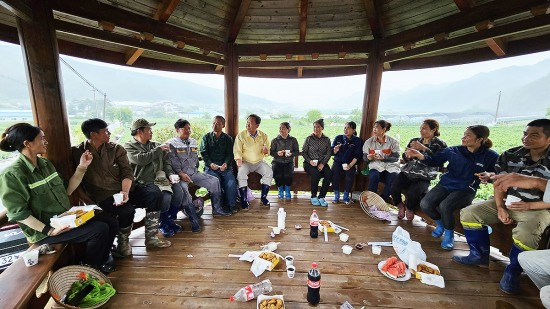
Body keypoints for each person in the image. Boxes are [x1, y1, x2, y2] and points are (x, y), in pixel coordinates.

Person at [0, 123, 117, 273]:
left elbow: (67, 189)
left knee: (111, 221)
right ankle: (89, 266)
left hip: (63, 219)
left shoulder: (45, 163)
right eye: (42, 139)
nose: (45, 142)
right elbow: (19, 214)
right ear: (27, 144)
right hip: (44, 231)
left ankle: (100, 259)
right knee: (99, 229)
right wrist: (49, 231)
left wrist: (82, 166)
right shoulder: (12, 174)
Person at [452, 119, 550, 295]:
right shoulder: (511, 155)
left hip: (540, 208)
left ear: (549, 139)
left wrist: (529, 204)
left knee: (527, 232)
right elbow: (499, 183)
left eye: (534, 135)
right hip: (509, 202)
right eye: (525, 133)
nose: (526, 138)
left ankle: (512, 271)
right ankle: (478, 255)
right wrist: (500, 207)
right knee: (469, 213)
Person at [406, 125, 498, 250]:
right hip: (446, 184)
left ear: (480, 139)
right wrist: (420, 155)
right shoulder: (453, 150)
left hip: (466, 189)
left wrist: (489, 175)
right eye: (464, 134)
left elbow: (499, 174)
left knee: (446, 205)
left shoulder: (490, 156)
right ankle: (440, 225)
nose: (463, 137)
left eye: (468, 135)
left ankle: (449, 234)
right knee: (426, 203)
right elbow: (434, 160)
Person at [72, 118, 137, 257]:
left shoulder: (116, 149)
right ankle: (123, 242)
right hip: (101, 194)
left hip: (123, 188)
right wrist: (87, 201)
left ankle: (151, 236)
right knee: (127, 211)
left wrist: (125, 191)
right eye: (106, 131)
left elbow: (127, 171)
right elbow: (73, 182)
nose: (109, 133)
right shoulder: (77, 152)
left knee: (154, 194)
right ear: (93, 134)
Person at [168, 119, 231, 229]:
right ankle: (193, 219)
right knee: (184, 191)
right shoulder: (172, 144)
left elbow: (195, 159)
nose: (188, 131)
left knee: (214, 181)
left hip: (194, 173)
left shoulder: (193, 141)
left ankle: (217, 209)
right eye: (185, 129)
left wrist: (195, 168)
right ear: (177, 130)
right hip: (180, 176)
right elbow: (173, 161)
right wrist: (181, 173)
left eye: (189, 128)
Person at [124, 119, 178, 243]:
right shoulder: (129, 146)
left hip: (160, 178)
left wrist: (170, 174)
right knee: (159, 196)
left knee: (171, 194)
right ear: (139, 131)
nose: (151, 132)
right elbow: (141, 160)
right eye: (149, 129)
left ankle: (165, 221)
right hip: (142, 181)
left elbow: (166, 162)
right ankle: (161, 225)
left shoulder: (155, 144)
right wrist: (158, 150)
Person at [390, 119, 447, 220]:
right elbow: (405, 157)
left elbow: (439, 160)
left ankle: (409, 207)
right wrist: (408, 155)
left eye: (424, 128)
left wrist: (424, 149)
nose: (421, 130)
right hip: (407, 172)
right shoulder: (414, 140)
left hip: (424, 176)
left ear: (433, 129)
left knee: (413, 193)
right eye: (420, 128)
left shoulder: (440, 144)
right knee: (394, 188)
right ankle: (400, 206)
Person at [234, 114, 273, 208]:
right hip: (245, 162)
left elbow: (268, 150)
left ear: (257, 125)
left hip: (259, 162)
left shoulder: (263, 135)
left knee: (269, 172)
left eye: (250, 123)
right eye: (247, 122)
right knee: (241, 173)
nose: (247, 125)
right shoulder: (241, 135)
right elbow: (237, 149)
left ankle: (264, 198)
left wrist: (266, 151)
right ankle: (244, 200)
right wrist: (238, 159)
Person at [200, 116, 238, 213]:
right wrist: (210, 164)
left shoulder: (228, 139)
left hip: (225, 167)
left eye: (218, 123)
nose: (215, 125)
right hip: (211, 168)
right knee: (215, 182)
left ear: (223, 125)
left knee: (231, 182)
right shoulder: (206, 137)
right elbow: (204, 153)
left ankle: (231, 205)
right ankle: (217, 208)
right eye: (213, 123)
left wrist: (226, 163)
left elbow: (230, 154)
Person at [363, 120, 400, 203]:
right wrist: (368, 157)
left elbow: (396, 157)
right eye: (374, 127)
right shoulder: (369, 142)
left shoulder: (393, 142)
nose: (374, 129)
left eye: (377, 127)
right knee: (374, 176)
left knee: (393, 178)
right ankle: (371, 199)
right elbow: (364, 157)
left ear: (384, 129)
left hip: (390, 166)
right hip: (375, 165)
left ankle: (382, 199)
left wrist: (383, 159)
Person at [302, 119, 332, 207]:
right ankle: (313, 196)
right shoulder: (309, 139)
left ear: (322, 128)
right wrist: (310, 161)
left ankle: (321, 197)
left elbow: (328, 153)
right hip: (309, 163)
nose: (316, 129)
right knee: (316, 174)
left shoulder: (326, 140)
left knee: (328, 174)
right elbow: (304, 152)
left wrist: (322, 163)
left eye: (318, 127)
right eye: (314, 127)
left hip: (321, 163)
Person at [331, 121, 362, 204]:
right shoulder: (338, 138)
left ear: (353, 130)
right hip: (338, 162)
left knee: (350, 175)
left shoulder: (357, 140)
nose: (346, 130)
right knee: (334, 174)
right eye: (345, 128)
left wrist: (350, 165)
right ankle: (336, 195)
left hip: (350, 163)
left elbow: (357, 155)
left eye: (348, 128)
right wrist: (335, 150)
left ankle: (346, 196)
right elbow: (331, 151)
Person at [270, 122, 299, 200]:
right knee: (277, 174)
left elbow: (297, 151)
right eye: (280, 128)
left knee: (288, 175)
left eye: (283, 128)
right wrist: (277, 153)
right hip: (277, 161)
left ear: (288, 129)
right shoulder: (275, 140)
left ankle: (287, 191)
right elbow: (271, 152)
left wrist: (291, 154)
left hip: (289, 161)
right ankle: (280, 191)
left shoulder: (293, 140)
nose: (281, 130)